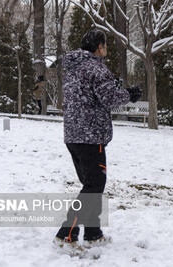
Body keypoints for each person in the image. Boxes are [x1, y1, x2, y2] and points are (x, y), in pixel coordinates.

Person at [54, 29, 142, 248]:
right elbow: (109, 98)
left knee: (90, 184)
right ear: (99, 47)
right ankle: (67, 233)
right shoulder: (96, 68)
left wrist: (114, 87)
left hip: (73, 135)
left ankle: (93, 234)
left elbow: (91, 96)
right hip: (91, 136)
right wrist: (130, 94)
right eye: (105, 45)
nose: (106, 49)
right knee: (94, 185)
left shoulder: (73, 68)